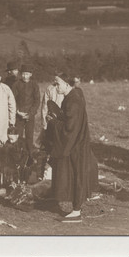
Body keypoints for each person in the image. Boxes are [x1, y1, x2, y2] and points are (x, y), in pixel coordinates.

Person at [50, 73, 98, 223]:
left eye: (57, 83)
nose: (55, 86)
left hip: (76, 144)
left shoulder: (73, 101)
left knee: (78, 174)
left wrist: (53, 123)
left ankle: (76, 211)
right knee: (75, 173)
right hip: (76, 142)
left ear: (66, 84)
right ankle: (76, 207)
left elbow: (70, 128)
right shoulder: (71, 97)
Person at [12, 64, 41, 159]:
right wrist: (17, 111)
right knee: (18, 136)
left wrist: (30, 114)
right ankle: (18, 155)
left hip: (30, 116)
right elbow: (13, 99)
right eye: (23, 74)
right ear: (21, 74)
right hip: (19, 115)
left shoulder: (34, 85)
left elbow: (37, 101)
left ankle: (30, 157)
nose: (25, 76)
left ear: (31, 74)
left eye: (27, 74)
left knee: (29, 137)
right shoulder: (16, 84)